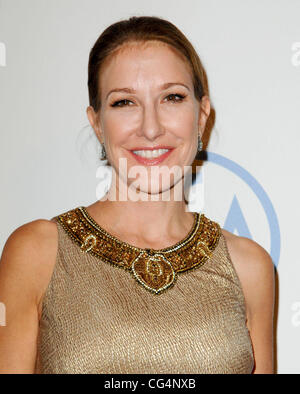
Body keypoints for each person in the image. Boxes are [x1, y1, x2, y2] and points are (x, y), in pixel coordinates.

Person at [0, 16, 275, 374]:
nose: (150, 128)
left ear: (201, 115)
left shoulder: (249, 266)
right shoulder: (37, 252)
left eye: (172, 97)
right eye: (124, 103)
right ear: (97, 123)